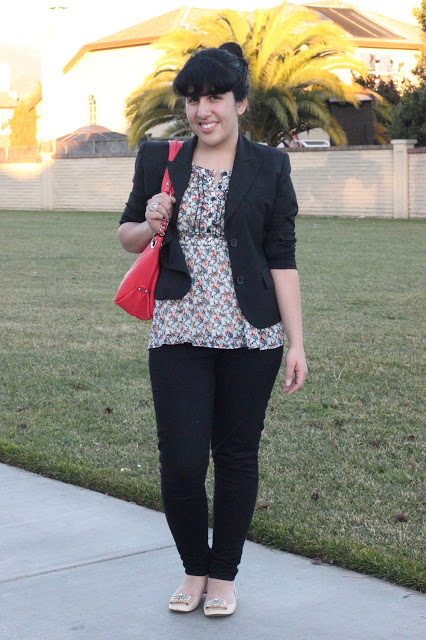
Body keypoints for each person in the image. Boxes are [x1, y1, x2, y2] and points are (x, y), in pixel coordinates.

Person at [117, 42, 308, 617]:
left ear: (240, 102)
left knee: (236, 456)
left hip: (251, 335)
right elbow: (126, 235)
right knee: (179, 459)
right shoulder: (160, 157)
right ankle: (193, 567)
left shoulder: (270, 166)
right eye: (194, 98)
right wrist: (149, 224)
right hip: (179, 328)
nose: (204, 109)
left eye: (216, 97)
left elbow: (282, 255)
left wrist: (296, 342)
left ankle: (223, 574)